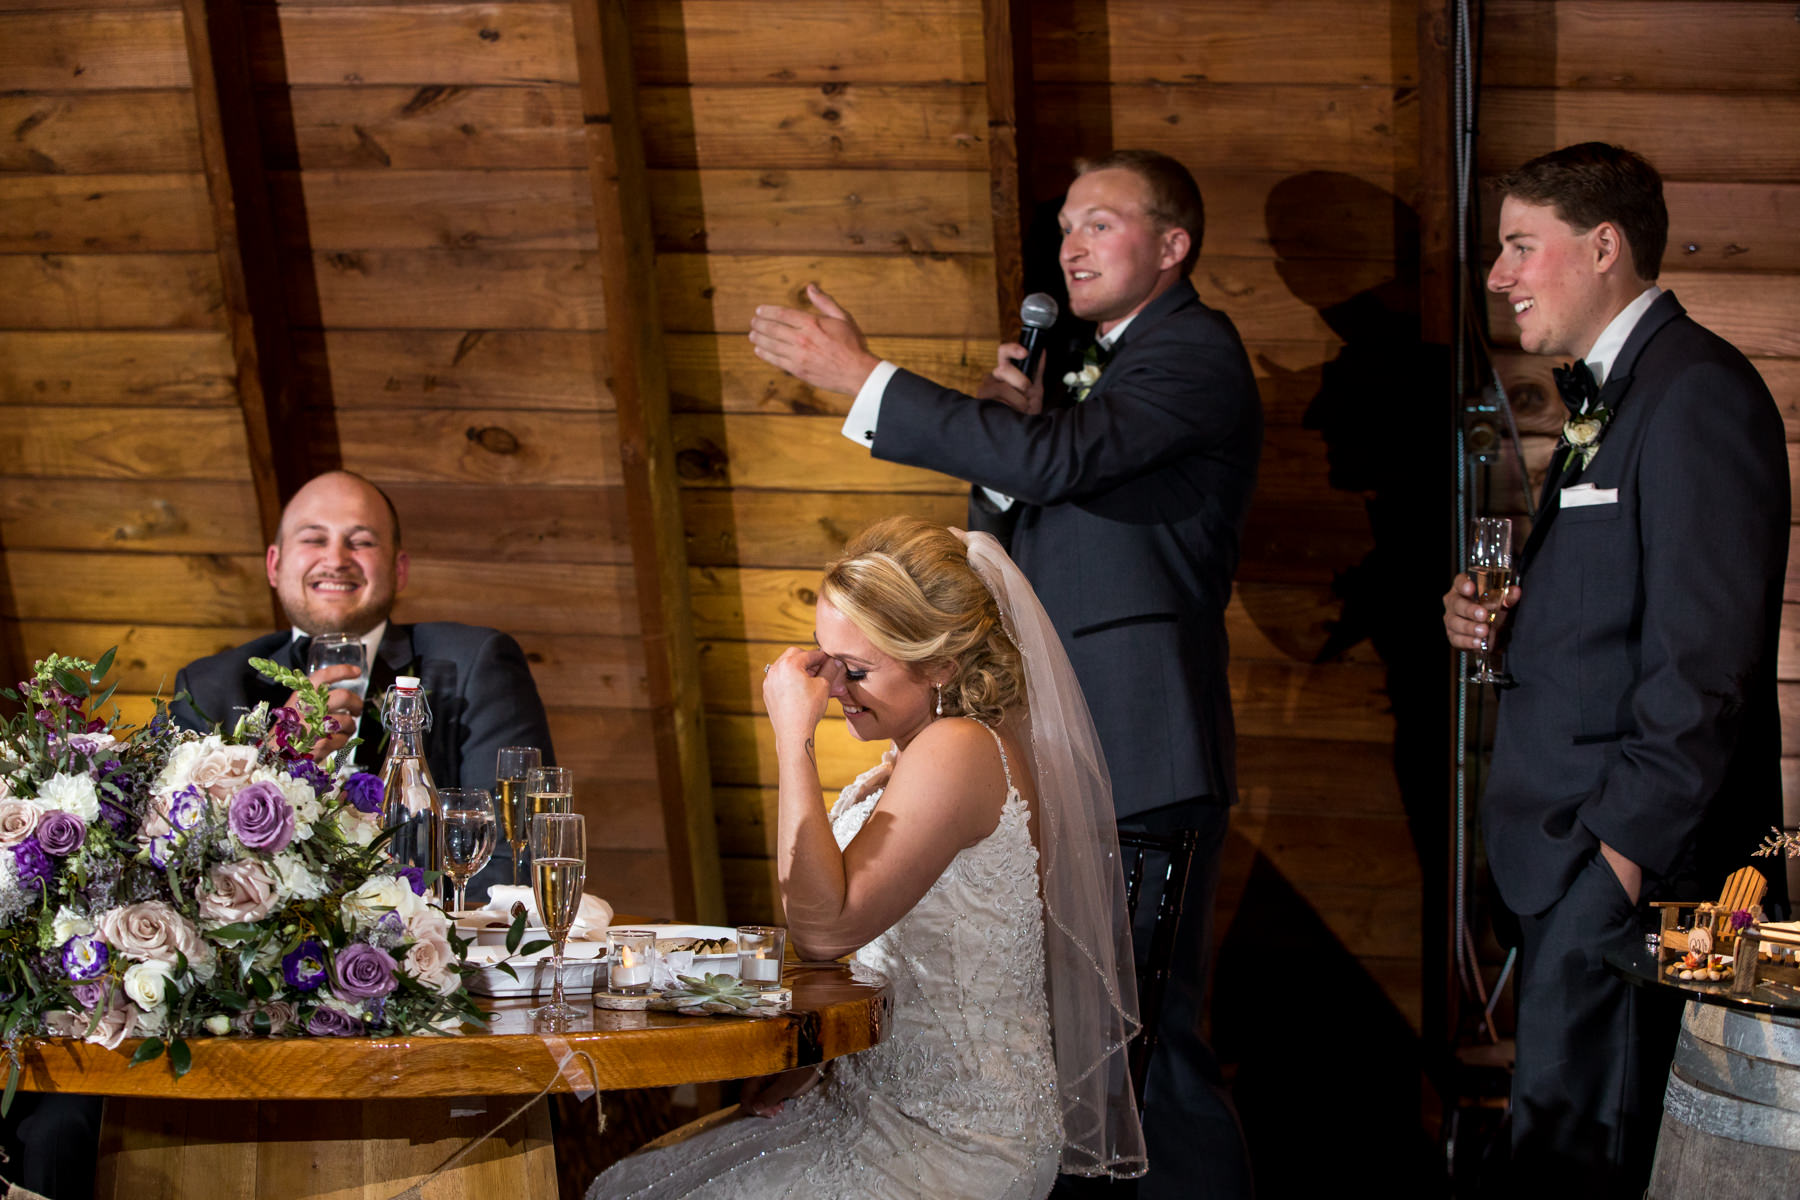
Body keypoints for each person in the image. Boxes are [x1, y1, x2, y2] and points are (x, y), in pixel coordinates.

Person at [748, 149, 1258, 1196]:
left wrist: (864, 381)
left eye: (1101, 224)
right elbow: (1013, 526)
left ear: (1174, 246)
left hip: (1140, 741)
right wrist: (1002, 440)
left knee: (1148, 1050)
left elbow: (1060, 468)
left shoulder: (1195, 350)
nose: (1070, 245)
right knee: (1072, 1039)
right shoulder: (1075, 363)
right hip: (1058, 739)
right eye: (1065, 225)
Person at [590, 517, 1145, 1198]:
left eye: (855, 671)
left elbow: (825, 927)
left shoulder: (959, 752)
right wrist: (810, 1062)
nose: (831, 690)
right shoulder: (916, 754)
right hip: (864, 1099)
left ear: (941, 663)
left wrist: (794, 740)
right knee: (625, 1187)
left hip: (955, 1140)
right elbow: (849, 948)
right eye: (825, 662)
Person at [1442, 143, 1788, 1195]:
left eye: (1518, 246)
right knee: (1586, 1147)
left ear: (1603, 247)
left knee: (1623, 1158)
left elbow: (1707, 668)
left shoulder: (1698, 393)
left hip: (1654, 873)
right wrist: (1505, 620)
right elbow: (1625, 620)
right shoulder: (1619, 395)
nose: (1498, 275)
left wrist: (1617, 861)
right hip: (1585, 861)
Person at [170, 470, 554, 899]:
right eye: (314, 539)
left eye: (362, 542)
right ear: (275, 565)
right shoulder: (208, 687)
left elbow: (513, 860)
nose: (336, 559)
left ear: (399, 568)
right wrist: (276, 758)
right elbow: (176, 858)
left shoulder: (475, 663)